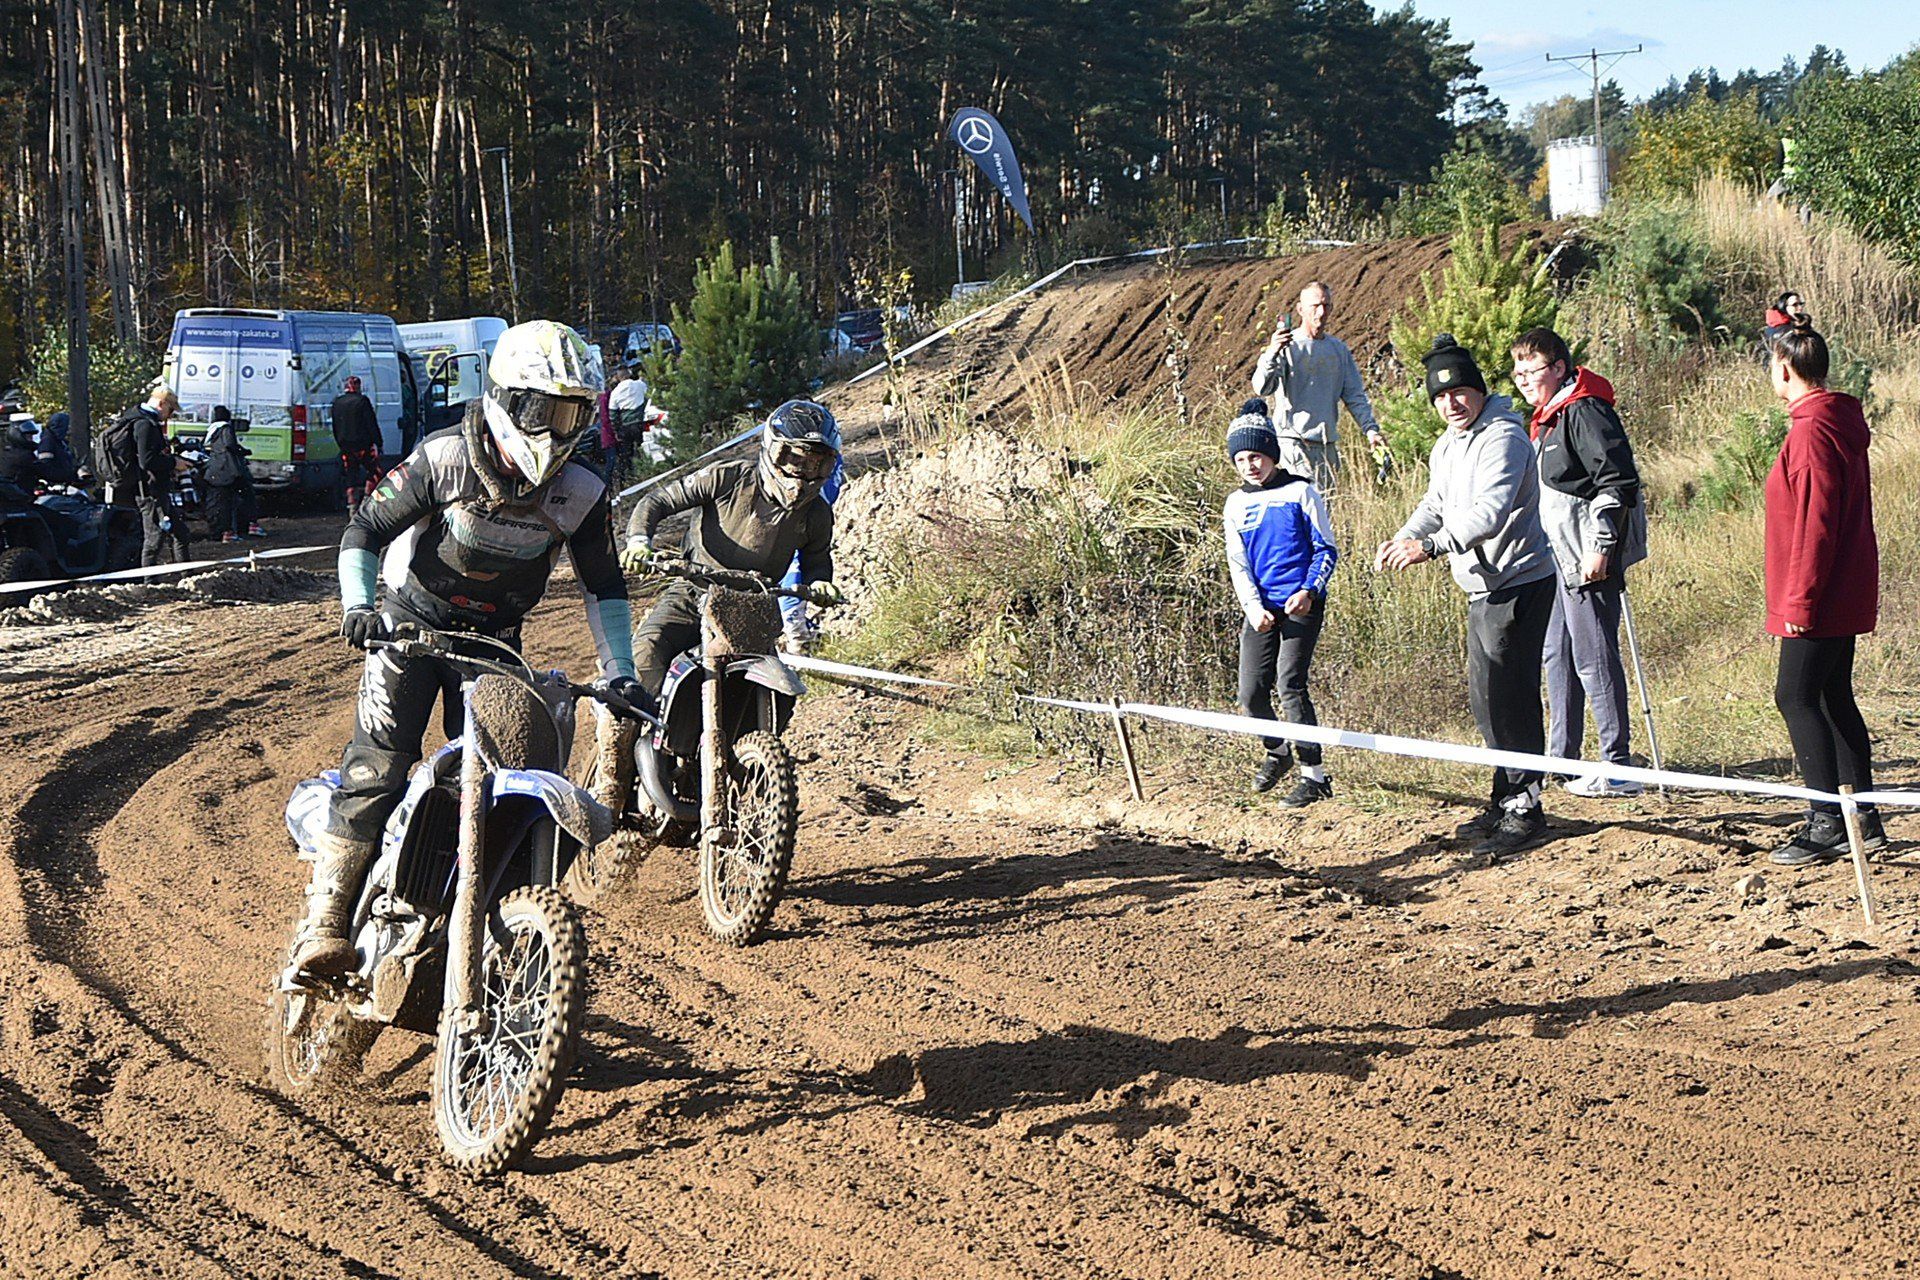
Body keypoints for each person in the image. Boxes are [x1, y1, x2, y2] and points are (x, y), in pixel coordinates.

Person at [289, 320, 642, 979]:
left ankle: (472, 916)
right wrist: (359, 608)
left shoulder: (582, 493)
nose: (556, 429)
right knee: (380, 768)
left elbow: (605, 585)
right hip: (409, 626)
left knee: (498, 778)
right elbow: (364, 531)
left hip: (494, 643)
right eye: (544, 409)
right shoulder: (444, 457)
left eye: (572, 412)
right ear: (506, 399)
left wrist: (620, 673)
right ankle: (324, 926)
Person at [1376, 334, 1557, 858]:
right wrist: (1404, 535)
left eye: (1460, 393)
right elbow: (1437, 501)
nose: (1451, 404)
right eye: (1440, 396)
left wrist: (1428, 548)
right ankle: (1506, 794)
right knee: (1485, 699)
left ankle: (1527, 807)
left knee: (1510, 696)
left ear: (1478, 391)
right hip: (1481, 585)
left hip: (1519, 580)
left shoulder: (1501, 437)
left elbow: (1490, 511)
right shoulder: (1449, 442)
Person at [1762, 325, 1886, 866]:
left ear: (1785, 369)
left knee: (1794, 695)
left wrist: (1800, 603)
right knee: (1833, 695)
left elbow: (1816, 526)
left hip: (1821, 593)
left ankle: (1826, 820)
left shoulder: (1812, 432)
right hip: (1838, 588)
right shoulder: (1831, 421)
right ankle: (1863, 815)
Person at [621, 399, 843, 698]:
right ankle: (626, 732)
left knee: (782, 692)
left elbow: (816, 557)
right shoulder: (727, 477)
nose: (804, 472)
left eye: (817, 464)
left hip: (755, 606)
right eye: (797, 460)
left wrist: (820, 583)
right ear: (774, 451)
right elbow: (657, 501)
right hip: (694, 590)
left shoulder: (817, 513)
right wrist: (638, 542)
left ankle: (757, 740)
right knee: (646, 652)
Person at [1511, 327, 1648, 798]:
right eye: (1518, 371)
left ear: (1560, 368)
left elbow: (1617, 482)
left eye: (1533, 369)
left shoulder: (1584, 410)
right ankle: (1562, 759)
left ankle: (1618, 764)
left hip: (1586, 559)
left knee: (1594, 658)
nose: (1524, 378)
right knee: (1557, 656)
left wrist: (1602, 546)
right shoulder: (1547, 418)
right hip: (1554, 560)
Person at [1222, 399, 1338, 807]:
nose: (1250, 465)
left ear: (1271, 454)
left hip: (1301, 605)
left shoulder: (1300, 491)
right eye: (1241, 459)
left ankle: (1315, 776)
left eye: (1256, 456)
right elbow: (1238, 565)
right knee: (1251, 692)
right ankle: (1277, 753)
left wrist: (1309, 591)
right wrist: (1254, 609)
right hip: (1262, 609)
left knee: (1290, 683)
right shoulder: (1235, 504)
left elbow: (1326, 549)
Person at [1249, 280, 1387, 493]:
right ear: (1300, 309)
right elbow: (1261, 387)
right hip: (1293, 445)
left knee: (1324, 514)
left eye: (1326, 305)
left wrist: (1370, 430)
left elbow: (1354, 396)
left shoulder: (1338, 350)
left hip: (1326, 448)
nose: (1321, 312)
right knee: (1300, 510)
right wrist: (1273, 351)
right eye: (1315, 306)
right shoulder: (1287, 346)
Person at [113, 386, 191, 567]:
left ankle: (187, 578)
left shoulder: (140, 419)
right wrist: (174, 464)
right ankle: (148, 584)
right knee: (154, 541)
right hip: (149, 491)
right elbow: (147, 461)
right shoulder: (144, 424)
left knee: (181, 534)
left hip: (156, 489)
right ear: (162, 404)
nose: (170, 415)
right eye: (171, 410)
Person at [330, 374, 382, 512]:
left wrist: (339, 442)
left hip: (346, 446)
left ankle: (352, 507)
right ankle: (366, 501)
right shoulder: (362, 401)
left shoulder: (337, 403)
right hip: (364, 445)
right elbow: (371, 424)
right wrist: (379, 442)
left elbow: (335, 426)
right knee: (374, 472)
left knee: (350, 476)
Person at [201, 405, 254, 543]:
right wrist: (243, 451)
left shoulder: (211, 430)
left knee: (219, 502)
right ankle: (242, 527)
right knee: (239, 498)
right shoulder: (226, 428)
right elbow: (230, 445)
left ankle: (221, 531)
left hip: (214, 470)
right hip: (228, 470)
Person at [608, 365, 650, 481]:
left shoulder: (615, 392)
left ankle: (629, 478)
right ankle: (647, 472)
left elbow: (613, 414)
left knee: (627, 454)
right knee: (644, 449)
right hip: (641, 423)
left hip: (625, 426)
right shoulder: (640, 385)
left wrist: (617, 431)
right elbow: (649, 396)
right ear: (630, 373)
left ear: (618, 377)